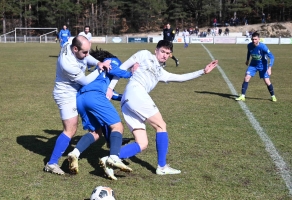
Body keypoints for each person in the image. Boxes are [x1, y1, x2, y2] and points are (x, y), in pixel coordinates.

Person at [97, 40, 218, 179]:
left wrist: (202, 71)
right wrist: (111, 88)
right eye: (162, 51)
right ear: (156, 50)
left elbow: (181, 78)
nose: (165, 55)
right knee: (161, 126)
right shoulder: (144, 54)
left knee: (142, 143)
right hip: (135, 92)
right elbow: (123, 68)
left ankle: (110, 159)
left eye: (168, 53)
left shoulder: (161, 72)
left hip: (128, 101)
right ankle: (162, 167)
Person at [43, 36, 112, 175]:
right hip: (66, 94)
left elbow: (87, 58)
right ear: (75, 49)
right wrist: (100, 69)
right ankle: (51, 163)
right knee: (70, 129)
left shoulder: (71, 43)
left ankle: (110, 141)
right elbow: (86, 81)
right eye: (84, 52)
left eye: (88, 51)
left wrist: (98, 62)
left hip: (77, 91)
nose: (87, 55)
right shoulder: (67, 63)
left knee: (95, 122)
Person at [66, 47, 139, 178]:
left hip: (81, 98)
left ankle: (75, 153)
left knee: (95, 132)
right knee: (117, 126)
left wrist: (127, 98)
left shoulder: (97, 72)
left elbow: (111, 94)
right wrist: (131, 74)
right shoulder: (111, 60)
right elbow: (113, 68)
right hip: (95, 97)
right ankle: (113, 157)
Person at [235, 32, 277, 102]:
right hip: (253, 65)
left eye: (255, 39)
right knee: (246, 77)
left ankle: (273, 96)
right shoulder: (249, 45)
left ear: (259, 39)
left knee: (267, 81)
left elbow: (272, 57)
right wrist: (247, 59)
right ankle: (242, 96)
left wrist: (269, 68)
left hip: (263, 65)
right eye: (253, 39)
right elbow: (249, 52)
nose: (254, 41)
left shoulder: (263, 47)